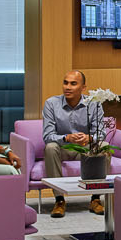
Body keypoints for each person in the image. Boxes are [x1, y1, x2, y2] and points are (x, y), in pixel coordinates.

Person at [39, 69, 113, 217]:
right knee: (50, 147)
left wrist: (89, 138)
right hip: (63, 148)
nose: (68, 87)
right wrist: (67, 137)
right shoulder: (51, 104)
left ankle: (96, 198)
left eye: (73, 84)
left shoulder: (94, 104)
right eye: (65, 83)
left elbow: (101, 133)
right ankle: (59, 200)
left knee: (104, 147)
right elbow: (47, 135)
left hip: (86, 149)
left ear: (83, 88)